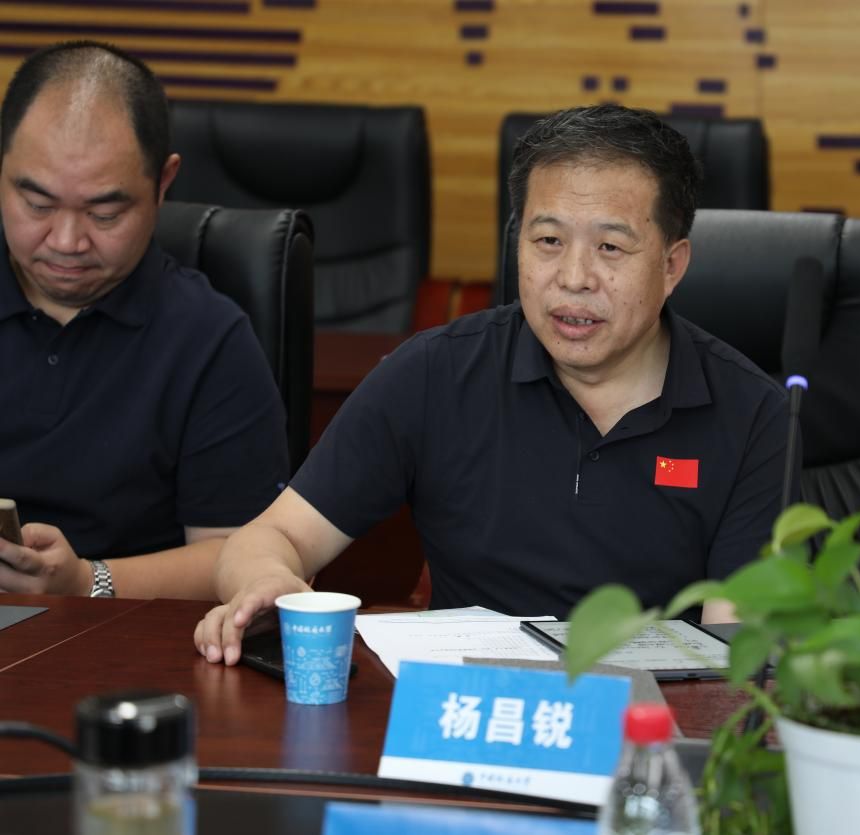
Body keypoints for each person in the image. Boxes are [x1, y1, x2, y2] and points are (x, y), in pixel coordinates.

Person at [195, 104, 789, 665]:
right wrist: (266, 580)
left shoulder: (754, 417)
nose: (574, 278)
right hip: (466, 708)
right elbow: (272, 535)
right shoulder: (434, 373)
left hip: (647, 721)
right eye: (548, 241)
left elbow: (737, 657)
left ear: (671, 265)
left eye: (610, 247)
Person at [0, 41, 289, 599]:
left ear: (162, 183)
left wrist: (87, 582)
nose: (67, 241)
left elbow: (244, 554)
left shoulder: (210, 340)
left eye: (105, 213)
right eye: (37, 205)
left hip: (119, 636)